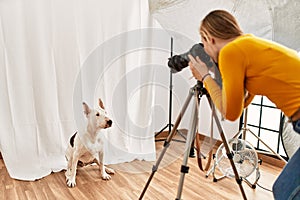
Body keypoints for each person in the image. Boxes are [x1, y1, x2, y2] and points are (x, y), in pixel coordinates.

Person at [188, 9, 300, 200]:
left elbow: (230, 114)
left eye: (204, 42)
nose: (205, 50)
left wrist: (205, 76)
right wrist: (220, 79)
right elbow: (242, 103)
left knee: (285, 191)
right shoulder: (249, 45)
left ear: (210, 38)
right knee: (283, 189)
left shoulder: (231, 52)